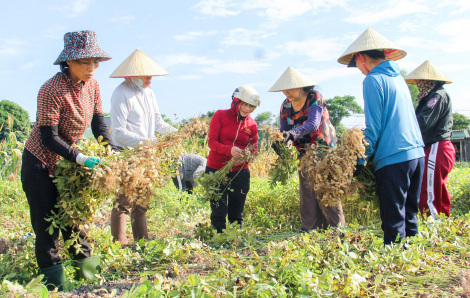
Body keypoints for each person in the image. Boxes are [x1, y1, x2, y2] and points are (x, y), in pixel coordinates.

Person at [21, 30, 114, 290]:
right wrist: (80, 157)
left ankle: (88, 282)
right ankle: (55, 288)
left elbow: (99, 125)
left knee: (75, 220)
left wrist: (111, 150)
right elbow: (48, 137)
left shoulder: (93, 86)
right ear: (68, 62)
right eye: (85, 62)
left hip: (67, 165)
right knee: (47, 225)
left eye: (94, 62)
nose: (92, 68)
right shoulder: (51, 89)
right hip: (40, 162)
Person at [338, 27, 425, 245]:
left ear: (361, 57)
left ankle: (395, 271)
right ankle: (416, 262)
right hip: (416, 155)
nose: (358, 69)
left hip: (393, 158)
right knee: (409, 216)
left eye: (356, 64)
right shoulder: (399, 79)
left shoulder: (373, 80)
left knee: (393, 220)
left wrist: (360, 159)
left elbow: (374, 128)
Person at [109, 49, 177, 245]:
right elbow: (118, 132)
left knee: (142, 201)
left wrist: (174, 133)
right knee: (123, 201)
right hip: (127, 153)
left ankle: (142, 242)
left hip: (146, 154)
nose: (150, 79)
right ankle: (120, 245)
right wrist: (150, 143)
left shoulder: (149, 93)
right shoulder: (121, 93)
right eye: (146, 75)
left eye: (151, 75)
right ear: (132, 75)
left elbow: (157, 122)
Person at [268, 66, 343, 232]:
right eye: (283, 90)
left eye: (289, 89)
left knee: (327, 189)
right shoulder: (285, 105)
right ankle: (310, 231)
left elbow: (313, 124)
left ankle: (337, 232)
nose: (286, 92)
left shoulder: (314, 97)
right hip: (303, 151)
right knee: (307, 192)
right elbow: (283, 130)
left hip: (323, 148)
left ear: (301, 87)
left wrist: (292, 134)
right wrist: (281, 142)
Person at [405, 60, 455, 219]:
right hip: (436, 147)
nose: (419, 84)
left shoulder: (436, 96)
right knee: (435, 189)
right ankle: (440, 224)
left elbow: (423, 123)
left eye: (421, 81)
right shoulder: (431, 96)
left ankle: (433, 229)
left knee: (429, 191)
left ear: (429, 81)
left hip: (437, 147)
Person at [206, 86, 260, 233]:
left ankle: (236, 236)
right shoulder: (220, 115)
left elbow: (254, 149)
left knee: (237, 208)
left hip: (240, 171)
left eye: (251, 106)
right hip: (216, 168)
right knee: (218, 207)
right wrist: (229, 150)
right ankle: (218, 236)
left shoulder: (252, 124)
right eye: (245, 104)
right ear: (236, 101)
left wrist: (243, 159)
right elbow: (211, 142)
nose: (248, 109)